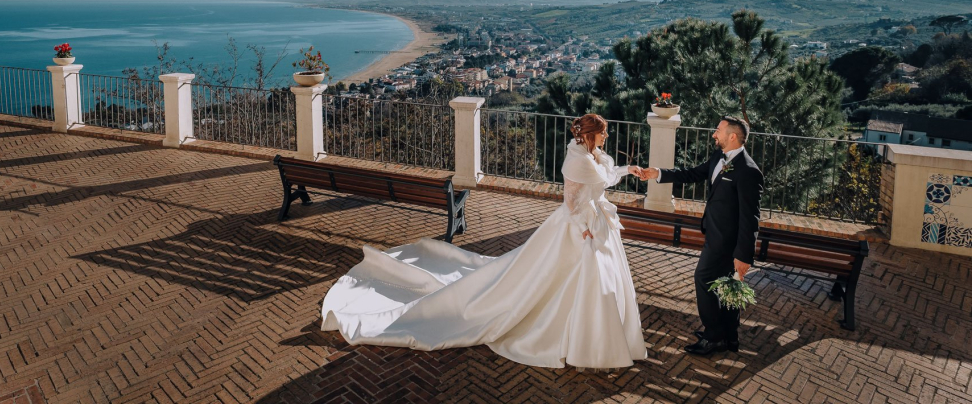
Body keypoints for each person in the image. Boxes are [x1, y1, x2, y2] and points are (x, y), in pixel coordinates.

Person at [320, 113, 647, 369]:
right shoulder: (579, 160)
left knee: (578, 281)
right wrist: (583, 228)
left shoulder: (592, 156)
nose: (607, 136)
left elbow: (604, 175)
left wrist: (629, 170)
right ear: (592, 135)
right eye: (603, 132)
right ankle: (575, 338)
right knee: (555, 280)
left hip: (594, 224)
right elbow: (572, 201)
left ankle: (594, 340)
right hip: (579, 228)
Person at [631, 116, 763, 356]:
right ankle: (728, 337)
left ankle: (714, 336)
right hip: (714, 233)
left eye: (719, 130)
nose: (715, 134)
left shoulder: (748, 171)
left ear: (732, 136)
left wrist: (743, 256)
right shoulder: (718, 158)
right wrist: (657, 173)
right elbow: (692, 174)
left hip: (727, 242)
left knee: (703, 279)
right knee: (724, 286)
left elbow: (750, 218)